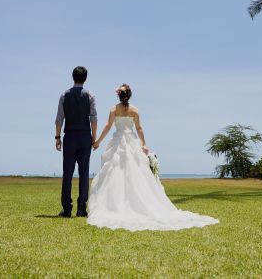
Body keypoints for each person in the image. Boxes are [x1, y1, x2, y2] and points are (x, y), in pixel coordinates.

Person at [87, 83, 219, 231]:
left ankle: (115, 205)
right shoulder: (134, 110)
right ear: (129, 95)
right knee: (135, 172)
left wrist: (97, 141)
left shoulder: (113, 109)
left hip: (118, 142)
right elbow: (139, 128)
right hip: (131, 141)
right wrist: (143, 144)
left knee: (115, 170)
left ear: (118, 95)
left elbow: (108, 126)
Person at [54, 66, 97, 217]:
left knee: (67, 173)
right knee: (84, 173)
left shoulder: (64, 95)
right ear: (85, 78)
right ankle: (81, 209)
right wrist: (94, 136)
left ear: (73, 77)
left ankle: (66, 209)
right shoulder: (90, 95)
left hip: (70, 137)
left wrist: (58, 137)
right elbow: (93, 118)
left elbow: (59, 118)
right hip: (85, 136)